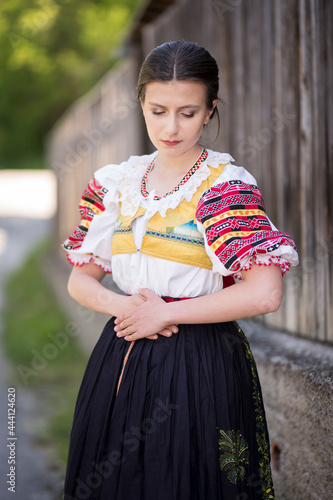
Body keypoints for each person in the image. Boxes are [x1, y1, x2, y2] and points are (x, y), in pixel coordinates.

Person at [61, 40, 298, 500]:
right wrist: (126, 307)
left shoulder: (225, 186)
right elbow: (80, 277)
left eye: (187, 113)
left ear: (210, 110)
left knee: (188, 482)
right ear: (142, 105)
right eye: (158, 110)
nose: (171, 127)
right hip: (121, 353)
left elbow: (265, 294)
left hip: (199, 359)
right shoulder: (117, 183)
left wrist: (165, 315)